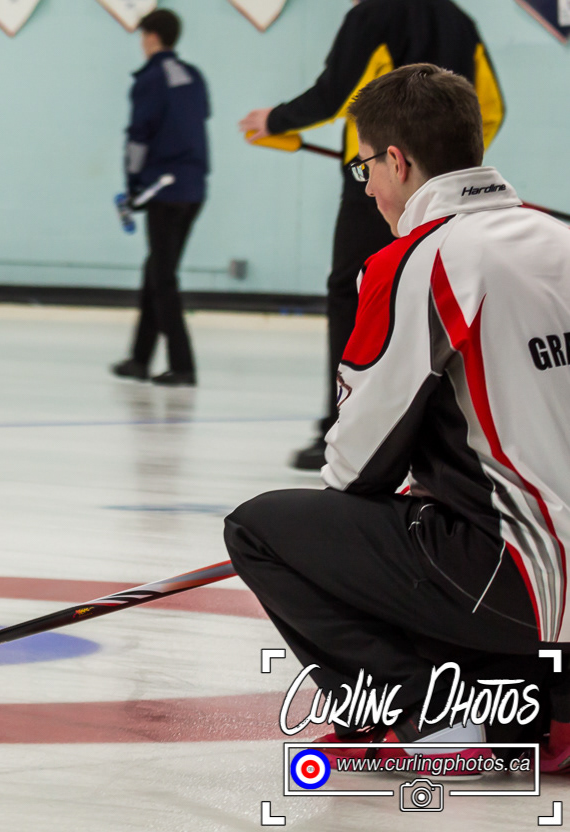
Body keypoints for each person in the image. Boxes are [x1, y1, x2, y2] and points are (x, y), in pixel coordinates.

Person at [225, 65, 567, 761]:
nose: (368, 189)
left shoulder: (418, 262)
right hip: (541, 585)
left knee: (261, 530)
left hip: (526, 585)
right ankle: (537, 710)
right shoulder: (556, 235)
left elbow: (355, 470)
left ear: (397, 161)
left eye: (366, 169)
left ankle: (428, 718)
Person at [238, 0, 504, 470]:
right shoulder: (459, 20)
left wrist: (274, 120)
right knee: (440, 293)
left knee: (355, 291)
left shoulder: (372, 15)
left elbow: (337, 95)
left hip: (385, 181)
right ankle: (442, 429)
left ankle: (345, 426)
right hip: (451, 187)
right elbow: (489, 106)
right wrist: (455, 162)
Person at [110, 9, 209, 387]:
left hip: (163, 189)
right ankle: (140, 358)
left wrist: (133, 183)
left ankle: (183, 365)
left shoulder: (150, 79)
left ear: (151, 36)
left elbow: (139, 136)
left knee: (163, 277)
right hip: (193, 188)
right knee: (156, 269)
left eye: (142, 36)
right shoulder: (193, 76)